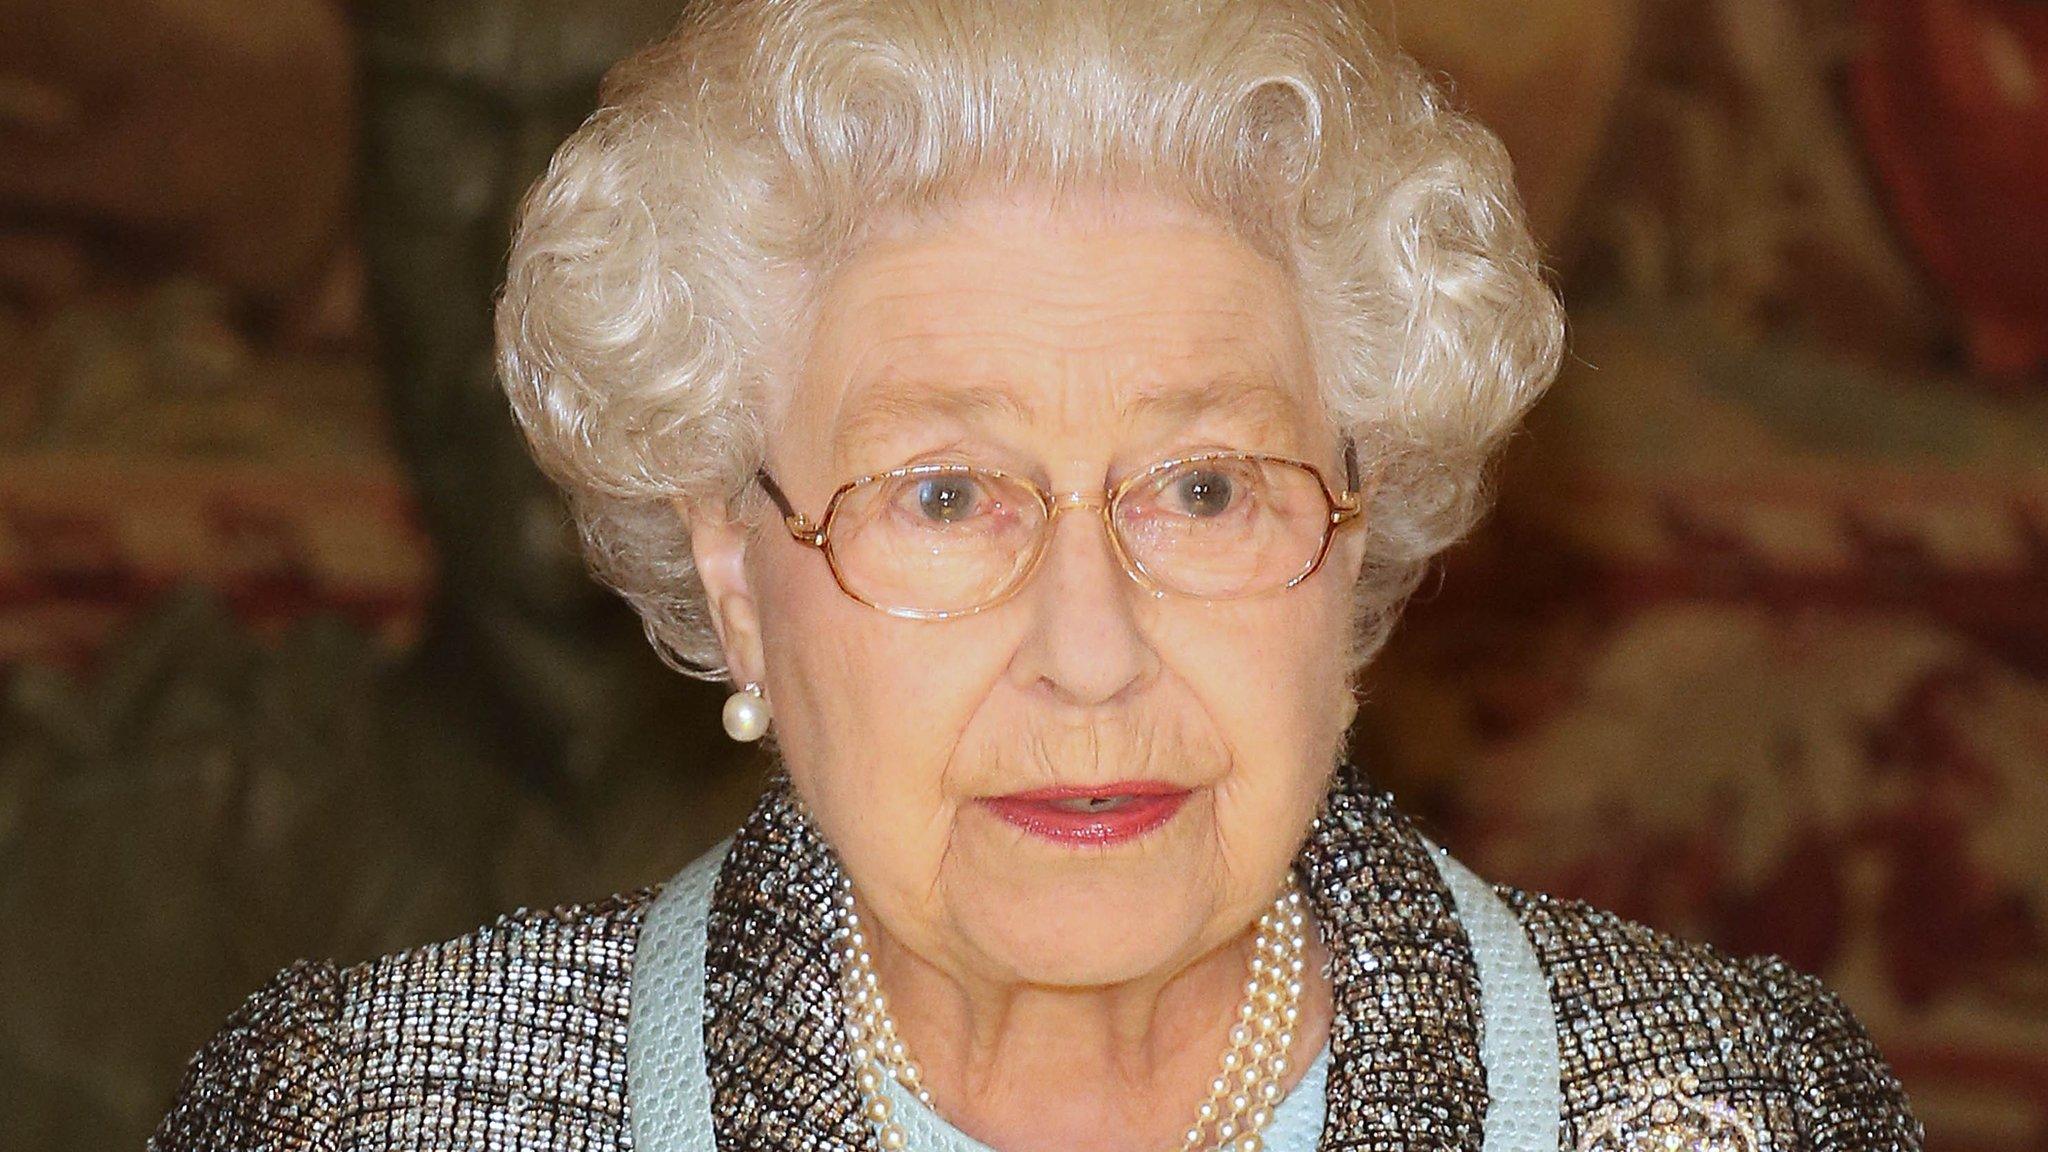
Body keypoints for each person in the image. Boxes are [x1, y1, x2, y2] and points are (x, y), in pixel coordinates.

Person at [151, 2, 1922, 1150]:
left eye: (1207, 485)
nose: (1091, 654)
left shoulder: (1726, 1112)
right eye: (943, 495)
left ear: (1357, 543)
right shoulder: (380, 1115)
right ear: (737, 563)